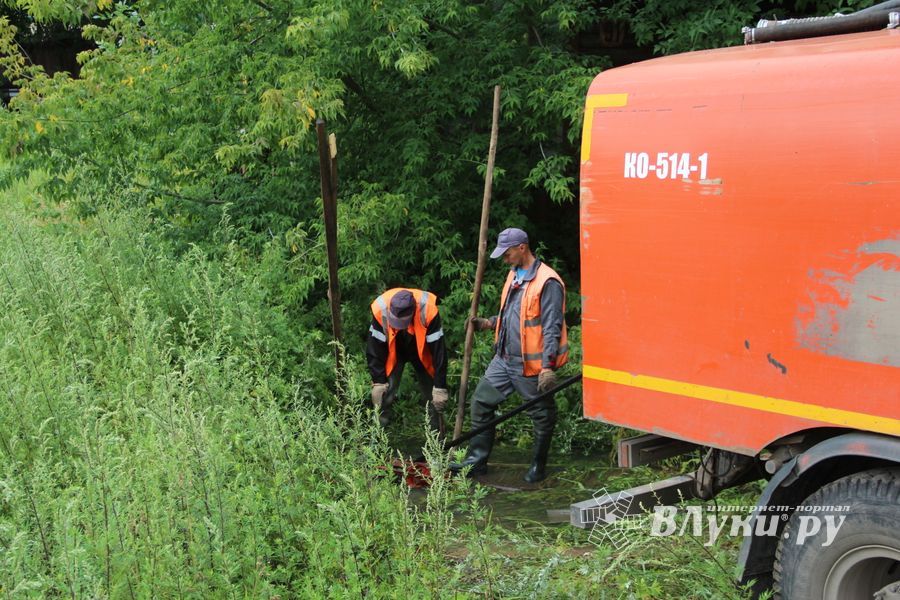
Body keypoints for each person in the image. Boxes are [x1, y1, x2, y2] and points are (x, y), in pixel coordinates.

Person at [451, 228, 568, 483]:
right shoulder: (514, 274)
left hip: (530, 364)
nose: (505, 259)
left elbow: (551, 327)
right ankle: (476, 463)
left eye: (507, 254)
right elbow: (513, 315)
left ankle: (538, 466)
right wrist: (489, 322)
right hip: (503, 360)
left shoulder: (547, 282)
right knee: (481, 402)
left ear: (522, 247)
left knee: (542, 414)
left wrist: (547, 367)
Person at [367, 288, 449, 431]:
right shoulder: (381, 309)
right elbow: (374, 349)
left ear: (412, 313)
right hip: (394, 350)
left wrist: (440, 386)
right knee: (384, 394)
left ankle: (436, 438)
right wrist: (378, 381)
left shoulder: (428, 310)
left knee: (433, 395)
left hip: (422, 350)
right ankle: (378, 438)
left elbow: (439, 351)